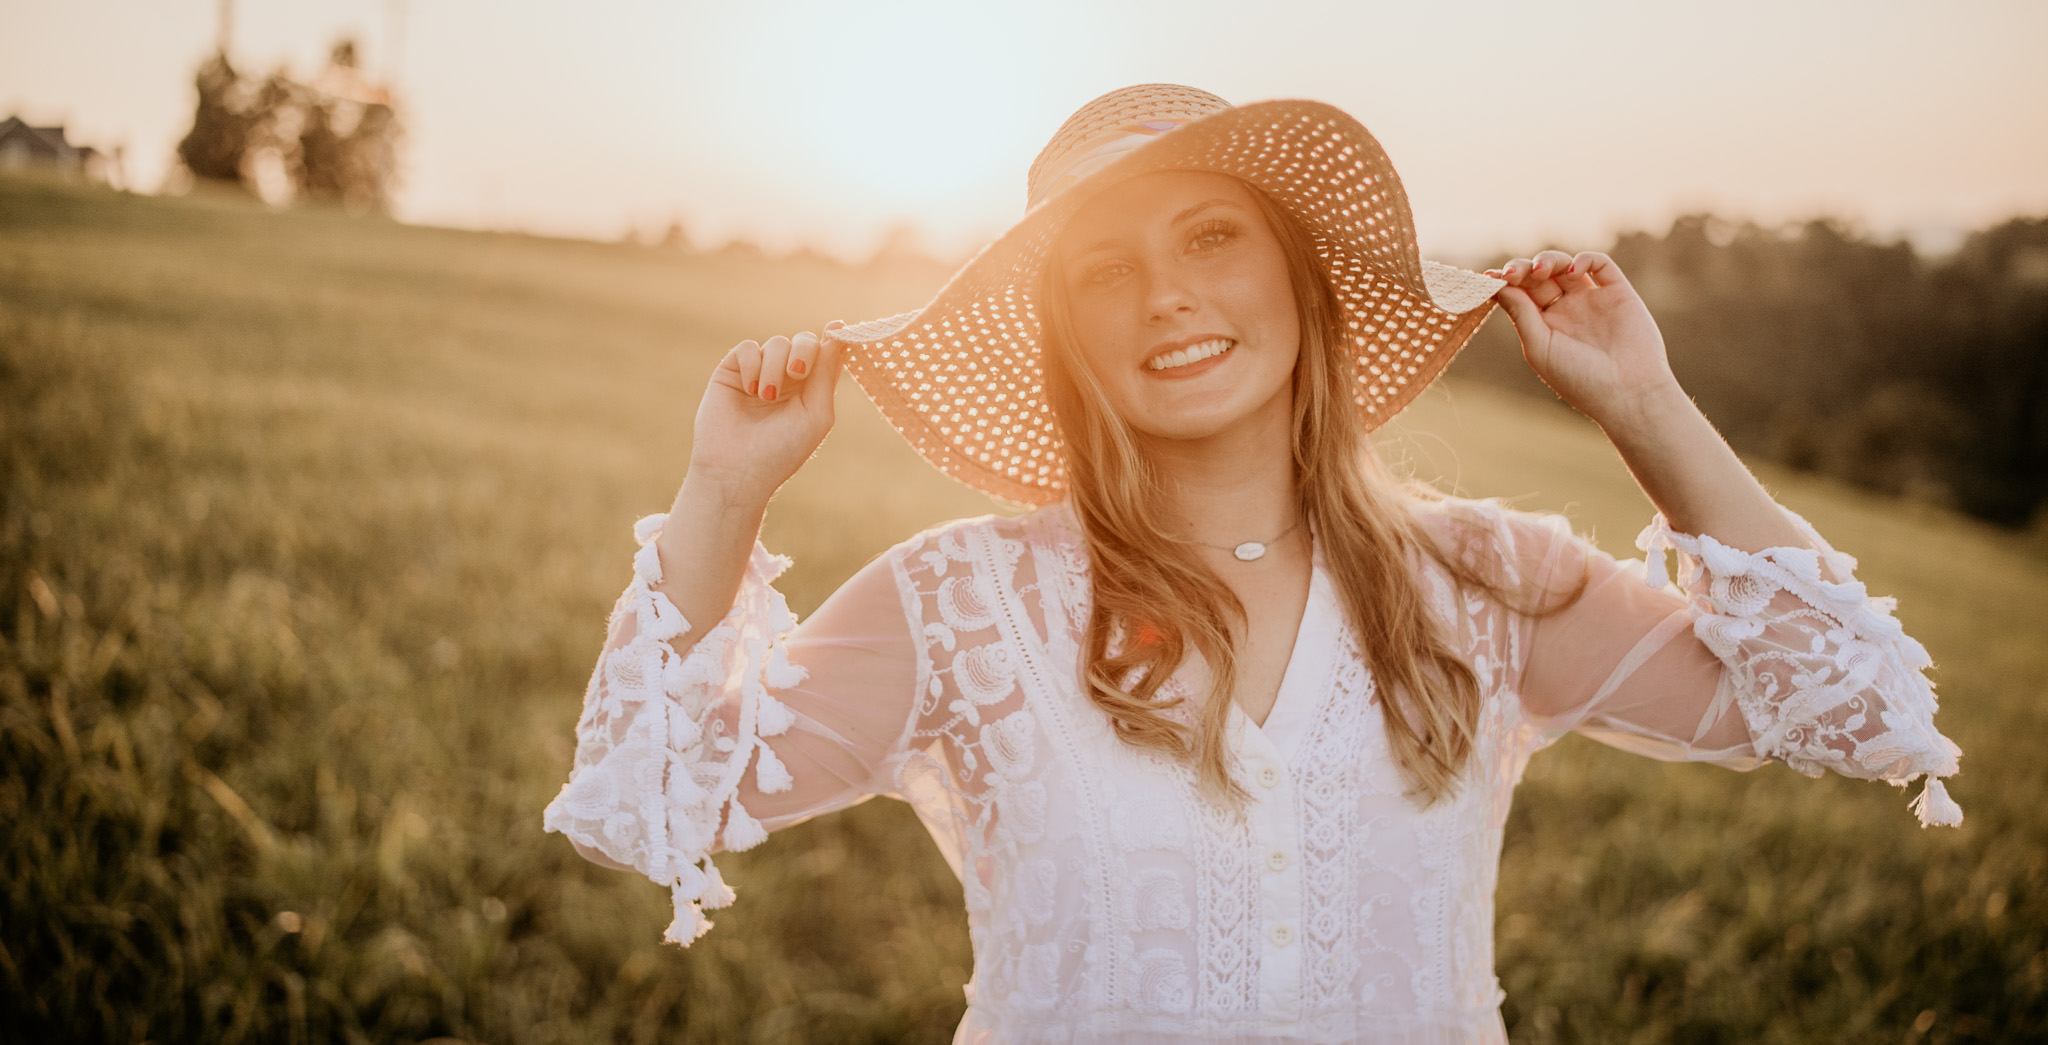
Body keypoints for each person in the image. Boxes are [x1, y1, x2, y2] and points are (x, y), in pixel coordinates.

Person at [544, 85, 1962, 1044]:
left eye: (1213, 236)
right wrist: (724, 488)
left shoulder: (1484, 581)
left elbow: (1861, 711)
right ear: (1067, 338)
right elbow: (649, 803)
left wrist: (1648, 410)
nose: (1167, 291)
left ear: (1298, 278)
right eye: (1105, 267)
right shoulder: (959, 604)